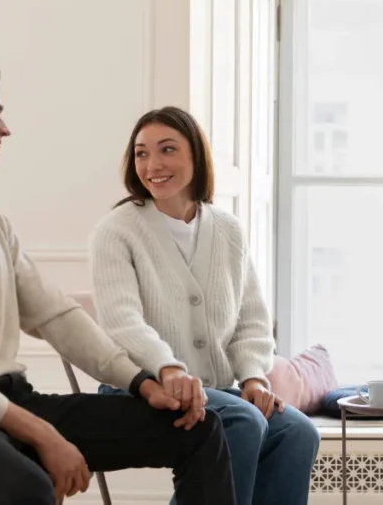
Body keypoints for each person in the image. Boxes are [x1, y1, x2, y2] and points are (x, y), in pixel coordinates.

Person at [0, 53, 237, 505]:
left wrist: (143, 383)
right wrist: (43, 435)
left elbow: (56, 316)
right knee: (25, 487)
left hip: (10, 401)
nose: (4, 129)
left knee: (197, 429)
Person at [88, 106, 320, 505]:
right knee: (242, 422)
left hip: (217, 391)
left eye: (167, 150)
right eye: (141, 153)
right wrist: (168, 367)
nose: (152, 164)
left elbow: (251, 320)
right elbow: (122, 322)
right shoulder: (117, 231)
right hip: (139, 393)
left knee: (298, 432)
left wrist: (253, 378)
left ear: (196, 155)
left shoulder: (228, 230)